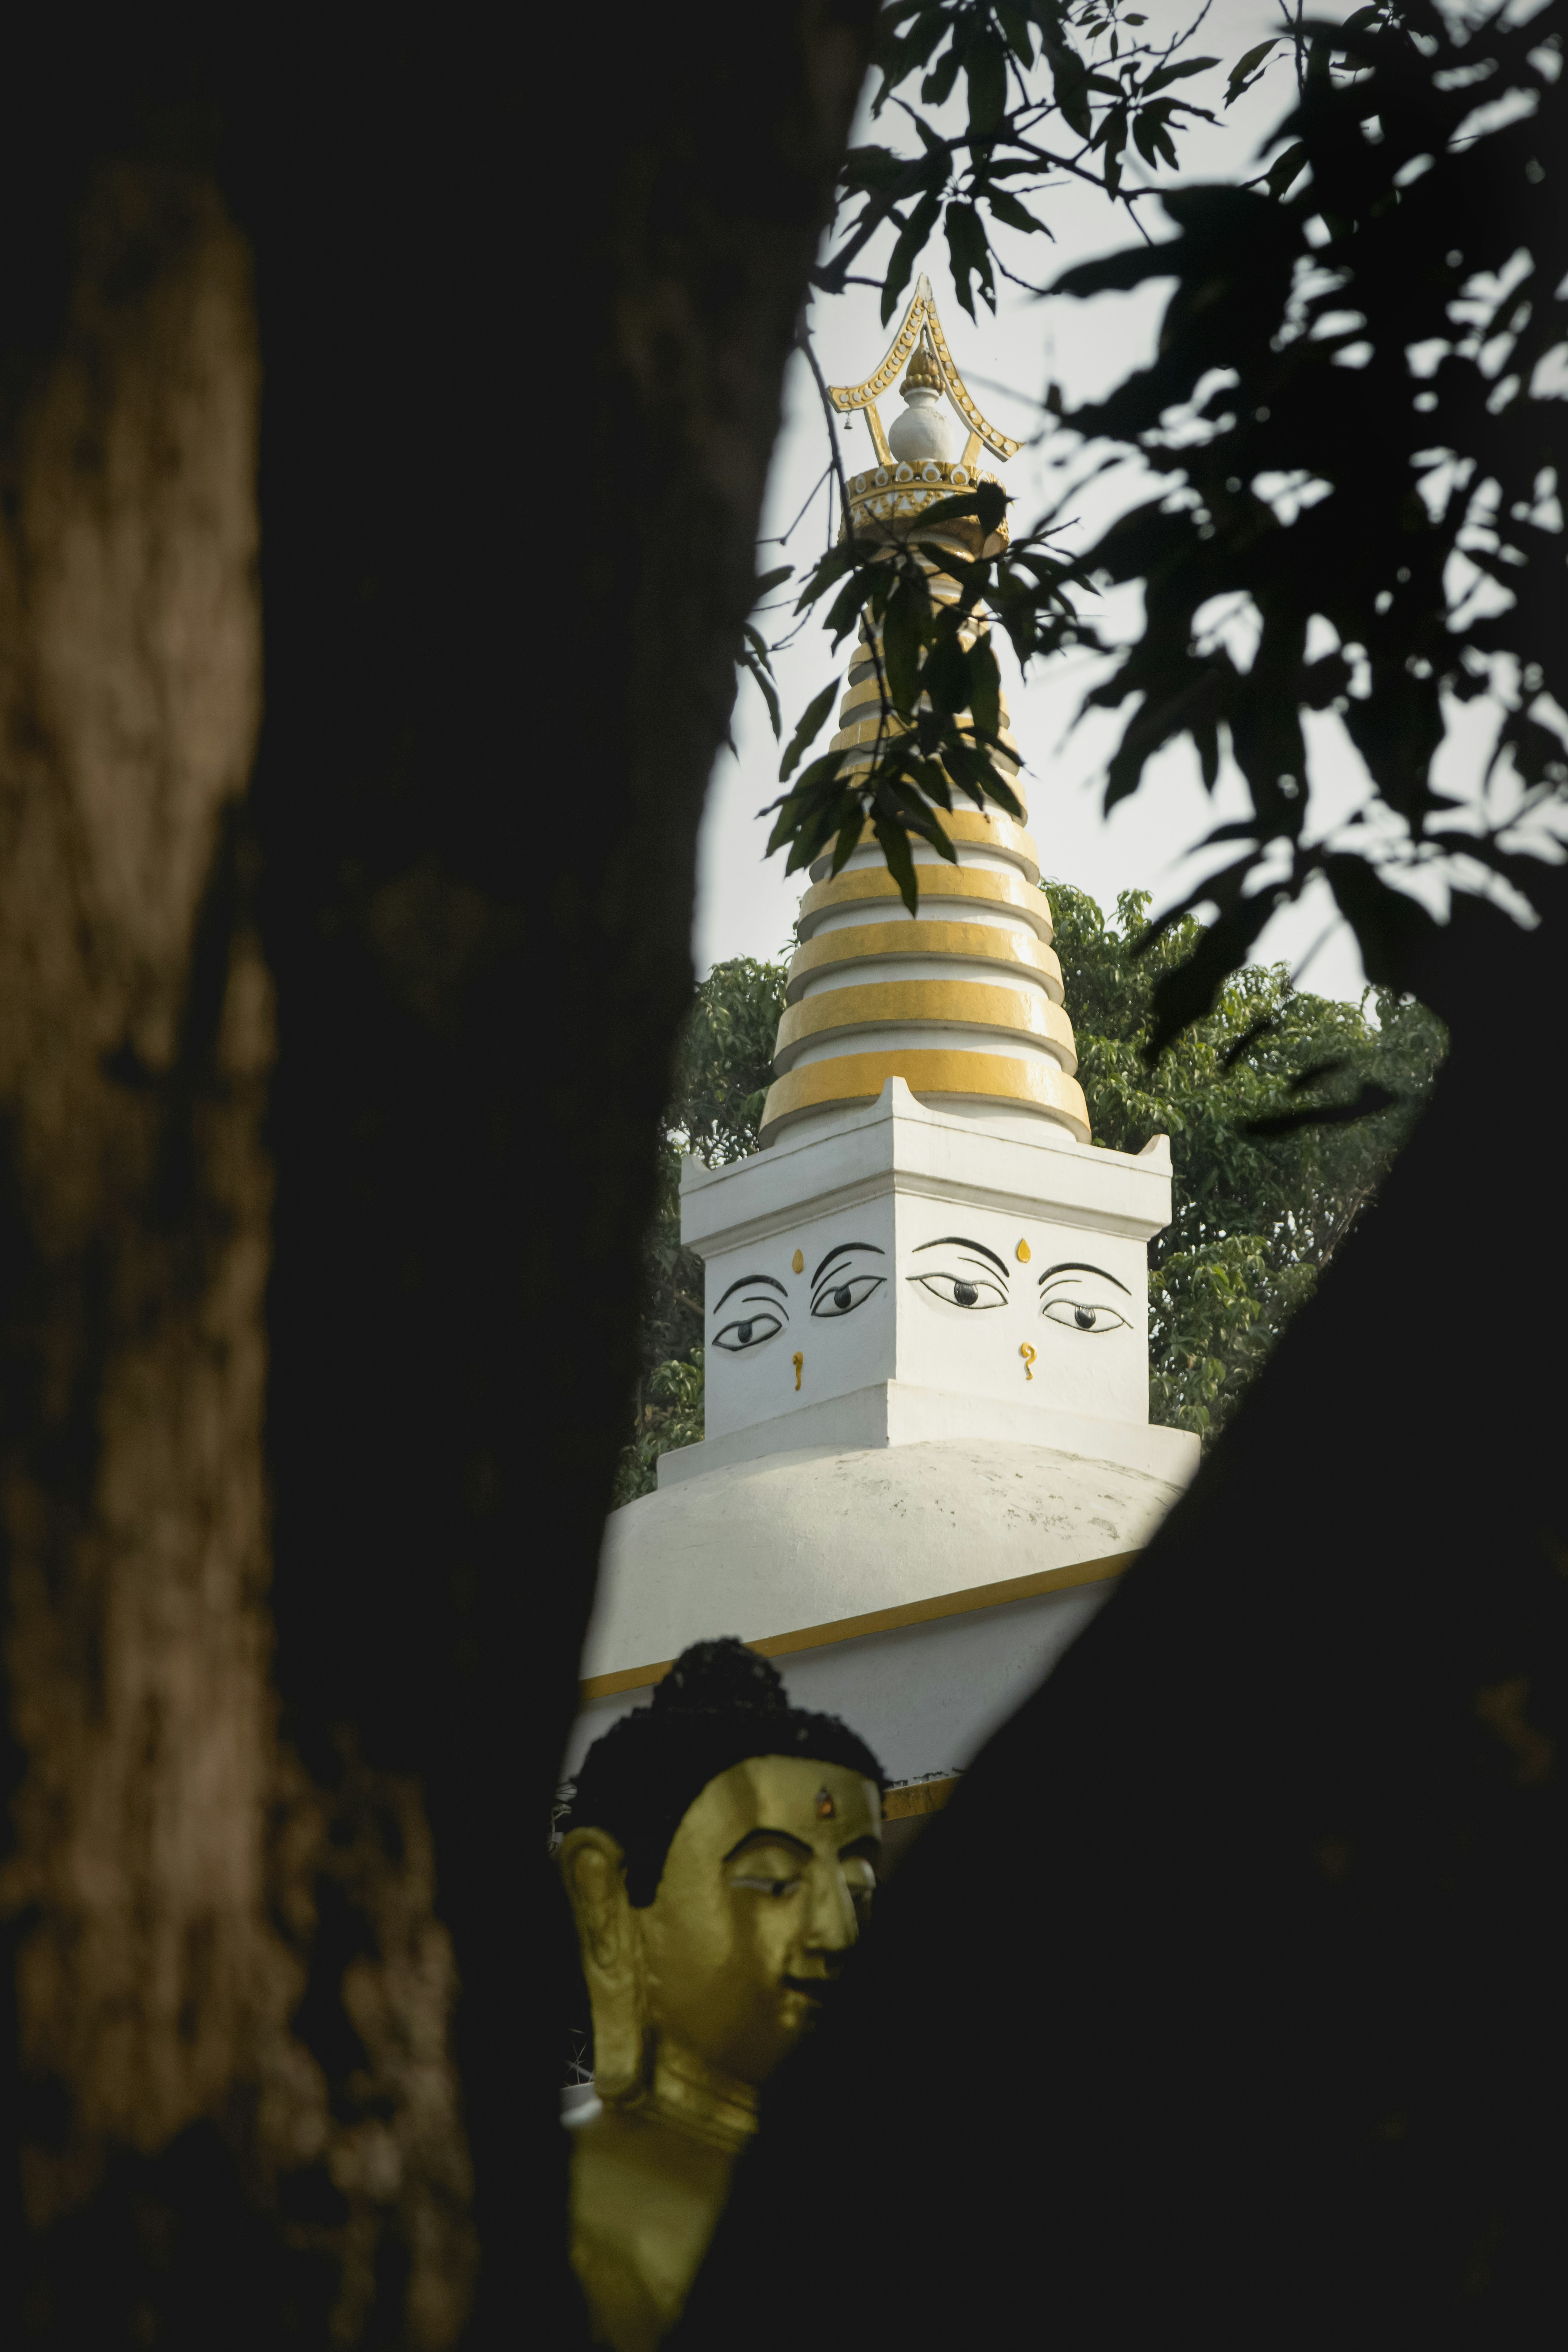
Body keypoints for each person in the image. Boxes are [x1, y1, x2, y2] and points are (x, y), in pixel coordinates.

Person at [558, 1639, 886, 2348]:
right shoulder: (581, 2222)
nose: (838, 1933)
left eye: (857, 1888)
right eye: (773, 1882)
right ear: (610, 1905)